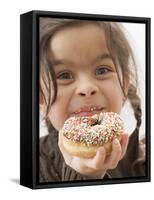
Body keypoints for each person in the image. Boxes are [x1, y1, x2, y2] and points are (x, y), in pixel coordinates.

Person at [39, 18, 145, 182]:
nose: (87, 88)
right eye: (64, 75)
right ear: (40, 97)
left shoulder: (141, 158)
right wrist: (86, 176)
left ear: (124, 83)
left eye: (102, 70)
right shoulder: (33, 164)